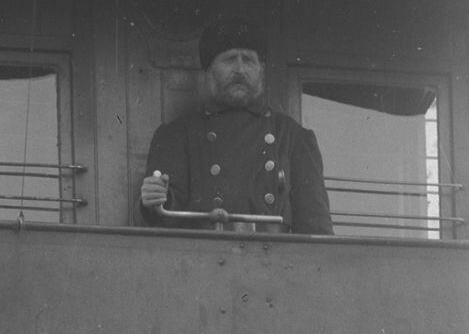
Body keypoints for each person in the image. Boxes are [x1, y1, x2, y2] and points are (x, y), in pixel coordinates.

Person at [137, 18, 331, 234]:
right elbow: (164, 218)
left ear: (262, 70)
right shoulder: (176, 135)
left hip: (273, 260)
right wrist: (155, 199)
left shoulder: (293, 136)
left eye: (248, 60)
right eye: (229, 59)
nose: (240, 69)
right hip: (200, 258)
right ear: (209, 70)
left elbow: (316, 229)